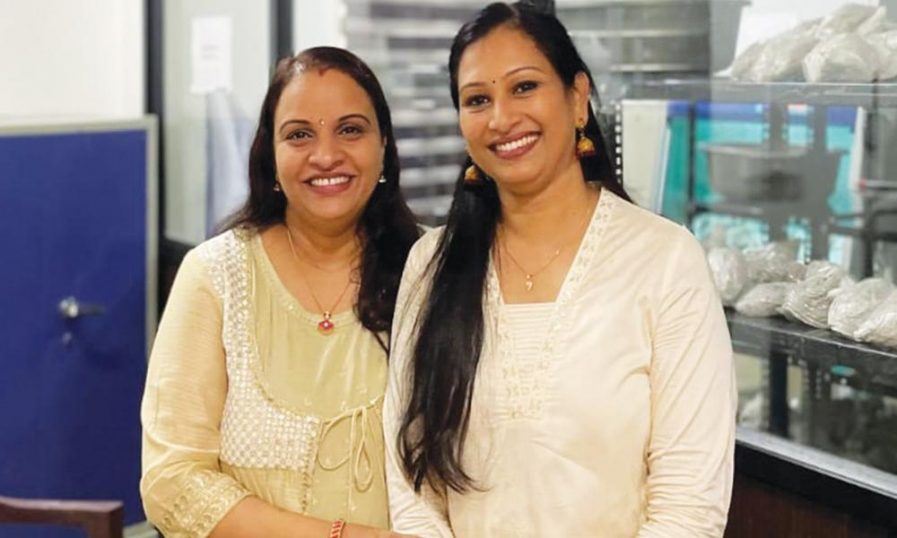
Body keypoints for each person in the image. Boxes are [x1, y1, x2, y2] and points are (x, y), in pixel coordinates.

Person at [383, 3, 737, 537]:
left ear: (577, 98)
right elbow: (412, 488)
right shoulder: (431, 265)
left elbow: (689, 506)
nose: (501, 118)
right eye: (477, 99)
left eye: (524, 87)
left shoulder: (665, 260)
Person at [141, 47, 420, 538]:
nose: (326, 155)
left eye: (350, 129)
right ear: (270, 155)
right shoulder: (215, 276)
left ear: (383, 146)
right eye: (299, 135)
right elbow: (172, 482)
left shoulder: (431, 272)